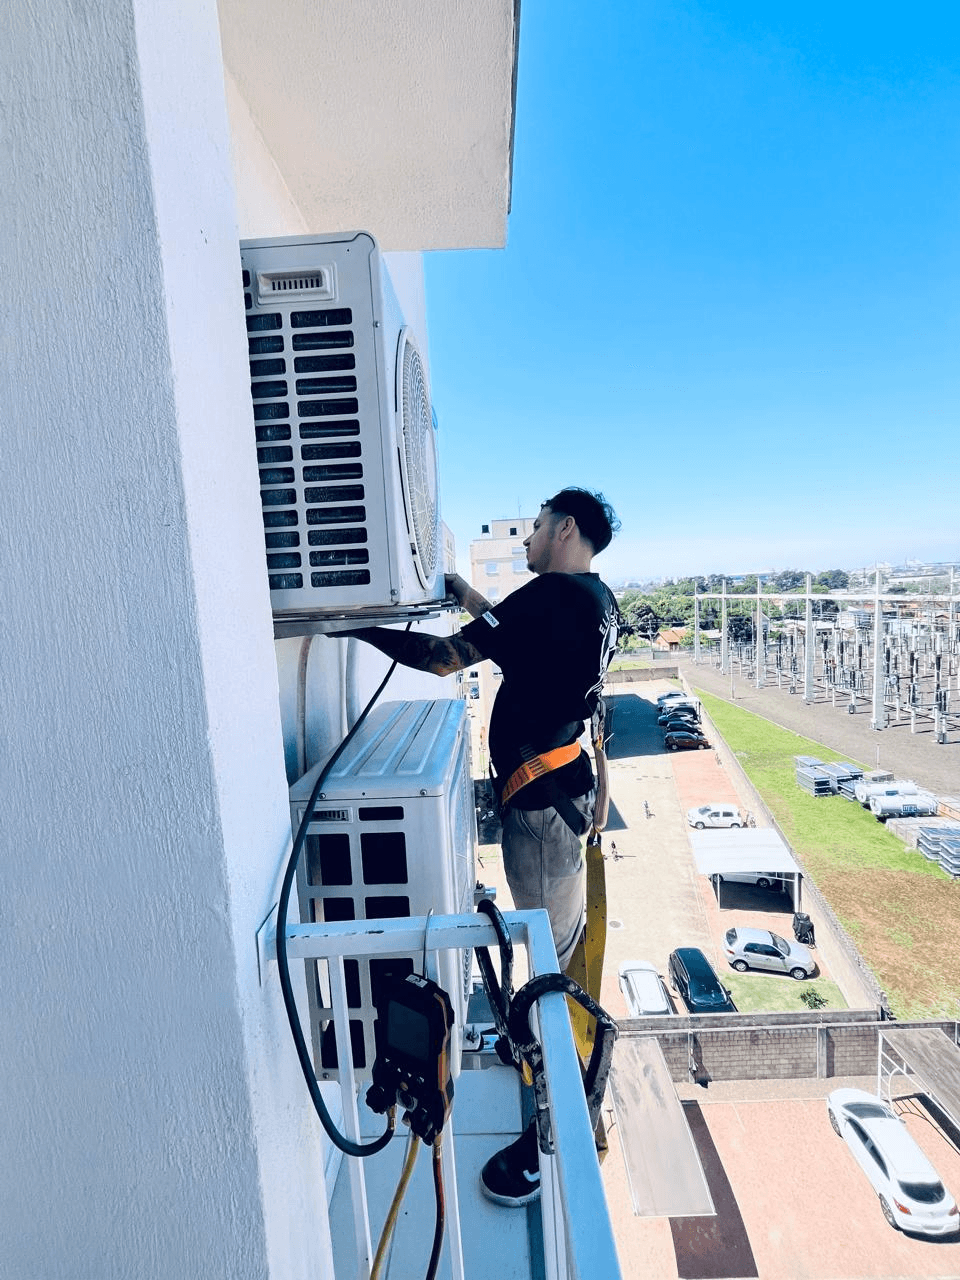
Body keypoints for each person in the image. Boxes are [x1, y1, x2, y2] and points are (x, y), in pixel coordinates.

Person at [346, 487, 620, 1206]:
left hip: (543, 814)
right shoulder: (597, 601)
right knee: (557, 949)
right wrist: (464, 592)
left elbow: (446, 659)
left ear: (564, 528)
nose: (527, 540)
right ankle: (538, 1057)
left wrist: (357, 626)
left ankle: (548, 1135)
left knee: (551, 975)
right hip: (566, 798)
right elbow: (523, 646)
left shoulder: (549, 597)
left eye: (536, 527)